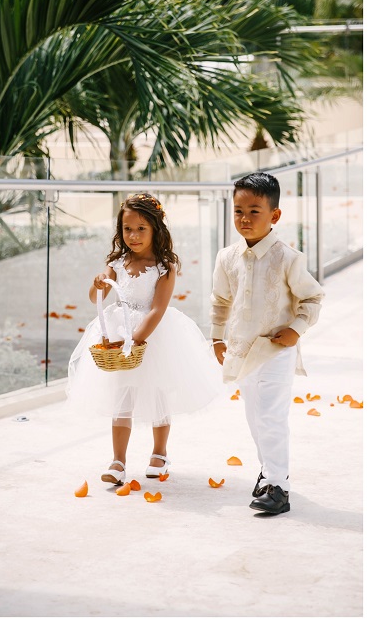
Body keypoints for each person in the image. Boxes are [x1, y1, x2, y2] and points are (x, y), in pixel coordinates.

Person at [67, 193, 219, 485]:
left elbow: (158, 309)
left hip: (151, 335)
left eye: (141, 229)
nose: (133, 236)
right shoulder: (117, 261)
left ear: (155, 229)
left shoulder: (164, 267)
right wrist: (97, 283)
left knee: (157, 392)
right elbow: (94, 298)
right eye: (127, 229)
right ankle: (118, 461)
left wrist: (134, 341)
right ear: (120, 230)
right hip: (120, 329)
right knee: (122, 397)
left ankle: (159, 453)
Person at [211, 172, 323, 515]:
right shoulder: (227, 257)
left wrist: (296, 329)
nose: (244, 218)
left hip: (276, 350)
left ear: (274, 215)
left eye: (254, 211)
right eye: (238, 211)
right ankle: (270, 472)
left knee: (272, 417)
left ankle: (279, 487)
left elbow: (313, 298)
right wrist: (217, 337)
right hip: (243, 352)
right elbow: (220, 301)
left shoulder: (288, 258)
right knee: (255, 418)